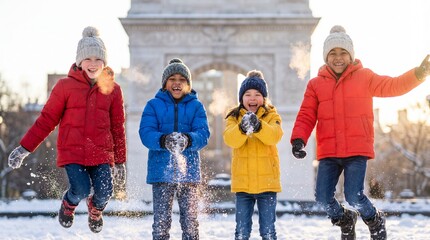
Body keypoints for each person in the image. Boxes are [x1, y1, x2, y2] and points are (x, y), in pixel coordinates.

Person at [290, 25, 430, 240]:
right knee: (323, 197)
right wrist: (299, 139)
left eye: (343, 53)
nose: (338, 58)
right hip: (329, 151)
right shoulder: (315, 84)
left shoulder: (364, 77)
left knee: (354, 196)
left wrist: (418, 74)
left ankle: (374, 219)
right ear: (326, 57)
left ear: (351, 55)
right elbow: (306, 114)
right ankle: (345, 219)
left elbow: (393, 85)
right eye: (333, 54)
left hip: (356, 150)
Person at [7, 26, 127, 233]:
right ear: (80, 62)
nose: (93, 64)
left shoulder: (114, 90)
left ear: (104, 62)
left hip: (101, 153)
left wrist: (120, 162)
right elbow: (46, 120)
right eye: (88, 59)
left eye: (98, 59)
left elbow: (118, 127)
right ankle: (68, 205)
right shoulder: (64, 86)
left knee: (105, 192)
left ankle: (96, 209)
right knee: (80, 189)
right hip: (73, 151)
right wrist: (24, 149)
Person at [138, 58, 210, 240]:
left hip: (189, 173)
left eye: (182, 79)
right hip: (161, 172)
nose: (177, 83)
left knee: (190, 222)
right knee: (161, 222)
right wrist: (163, 140)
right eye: (172, 79)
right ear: (165, 84)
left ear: (188, 84)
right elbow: (146, 133)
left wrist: (188, 139)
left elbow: (204, 134)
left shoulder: (197, 106)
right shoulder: (153, 105)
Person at [223, 70, 283, 240]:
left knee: (268, 231)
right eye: (248, 94)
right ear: (241, 98)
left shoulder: (272, 115)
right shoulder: (233, 117)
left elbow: (275, 136)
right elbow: (230, 139)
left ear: (264, 98)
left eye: (257, 94)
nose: (252, 98)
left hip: (268, 184)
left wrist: (258, 126)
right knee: (241, 231)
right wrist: (242, 128)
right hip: (243, 185)